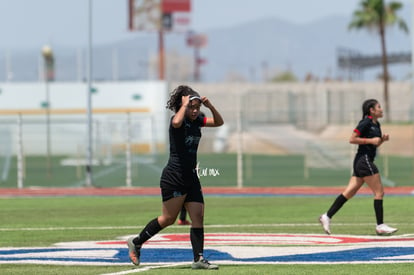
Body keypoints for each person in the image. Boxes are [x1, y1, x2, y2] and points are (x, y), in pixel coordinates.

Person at [127, 85, 224, 269]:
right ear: (184, 106)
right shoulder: (177, 119)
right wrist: (184, 105)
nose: (195, 111)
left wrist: (210, 106)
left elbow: (219, 123)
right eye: (191, 107)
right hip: (174, 177)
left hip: (191, 178)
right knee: (168, 219)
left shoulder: (198, 120)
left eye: (197, 107)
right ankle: (137, 242)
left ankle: (198, 259)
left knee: (198, 216)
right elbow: (177, 122)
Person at [319, 99, 398, 236]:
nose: (381, 109)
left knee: (349, 193)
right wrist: (371, 140)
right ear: (371, 110)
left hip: (361, 161)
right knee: (379, 192)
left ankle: (327, 216)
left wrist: (381, 140)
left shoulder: (376, 124)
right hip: (364, 160)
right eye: (379, 107)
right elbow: (352, 139)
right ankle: (380, 225)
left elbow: (374, 144)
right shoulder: (365, 122)